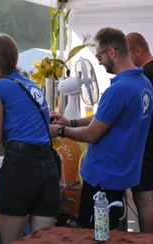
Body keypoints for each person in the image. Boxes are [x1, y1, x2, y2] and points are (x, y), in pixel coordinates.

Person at [50, 27, 153, 230]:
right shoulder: (143, 84)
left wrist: (59, 131)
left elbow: (92, 134)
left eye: (99, 56)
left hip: (102, 179)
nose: (98, 61)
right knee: (109, 233)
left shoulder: (119, 90)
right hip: (121, 176)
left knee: (96, 235)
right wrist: (70, 122)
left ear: (112, 52)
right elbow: (103, 118)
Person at [0, 34, 60, 244]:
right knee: (40, 240)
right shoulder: (30, 84)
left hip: (21, 165)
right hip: (48, 164)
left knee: (11, 239)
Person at [126, 32, 153, 233]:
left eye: (128, 55)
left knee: (144, 198)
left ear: (138, 50)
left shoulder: (144, 77)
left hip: (147, 146)